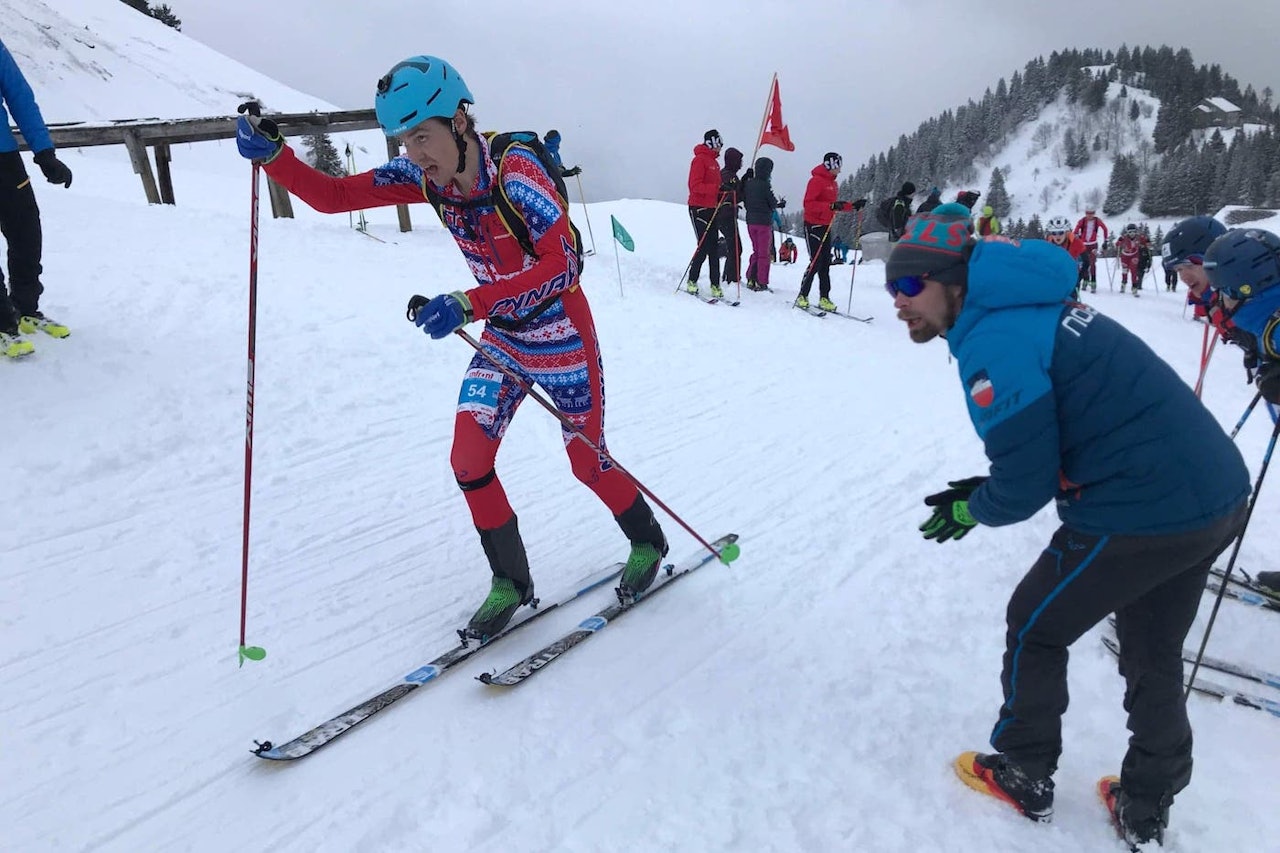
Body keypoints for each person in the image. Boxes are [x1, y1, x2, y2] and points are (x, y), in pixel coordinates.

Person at [234, 55, 668, 638]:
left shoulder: (516, 174)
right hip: (504, 342)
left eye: (423, 136)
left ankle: (648, 542)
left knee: (586, 460)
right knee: (468, 459)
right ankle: (511, 582)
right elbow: (335, 196)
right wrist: (275, 157)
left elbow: (563, 265)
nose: (415, 154)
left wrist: (470, 302)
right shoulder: (421, 177)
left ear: (460, 122)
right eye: (403, 141)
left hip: (562, 335)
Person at [885, 204, 1249, 848]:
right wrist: (992, 486)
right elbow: (1039, 452)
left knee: (1035, 624)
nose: (899, 301)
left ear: (954, 282)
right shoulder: (1022, 304)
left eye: (911, 285)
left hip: (1144, 506)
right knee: (1150, 648)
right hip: (1214, 495)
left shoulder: (994, 341)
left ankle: (1024, 770)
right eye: (893, 286)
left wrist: (975, 506)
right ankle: (1145, 802)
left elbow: (1023, 486)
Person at [0, 37, 73, 359]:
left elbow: (20, 97)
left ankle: (26, 310)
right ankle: (4, 325)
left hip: (4, 157)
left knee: (27, 233)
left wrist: (44, 152)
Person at [1203, 228, 1280, 408]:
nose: (1221, 300)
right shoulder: (1265, 321)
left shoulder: (1275, 331)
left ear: (1245, 289)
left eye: (1223, 291)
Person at [798, 152, 862, 311]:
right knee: (816, 261)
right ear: (831, 165)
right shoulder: (816, 181)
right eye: (838, 166)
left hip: (826, 225)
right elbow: (808, 204)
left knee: (826, 262)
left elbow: (834, 204)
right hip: (813, 225)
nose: (840, 170)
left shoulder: (833, 183)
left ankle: (824, 297)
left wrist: (852, 206)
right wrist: (830, 207)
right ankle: (802, 295)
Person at [1162, 215, 1229, 326]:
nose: (1184, 278)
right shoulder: (1222, 307)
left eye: (1189, 265)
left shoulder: (1255, 310)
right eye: (1179, 270)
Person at [686, 129, 723, 298]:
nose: (720, 148)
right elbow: (695, 186)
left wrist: (724, 190)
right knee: (704, 245)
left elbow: (715, 189)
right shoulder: (699, 160)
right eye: (719, 145)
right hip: (698, 208)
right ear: (712, 143)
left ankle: (715, 284)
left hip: (711, 208)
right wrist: (716, 189)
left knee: (714, 247)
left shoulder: (715, 164)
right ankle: (692, 280)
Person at [743, 156, 784, 291]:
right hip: (764, 223)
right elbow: (772, 203)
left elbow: (745, 200)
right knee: (764, 254)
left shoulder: (749, 183)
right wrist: (779, 204)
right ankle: (762, 281)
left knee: (756, 251)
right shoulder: (765, 184)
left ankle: (751, 278)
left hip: (751, 221)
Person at [716, 147, 744, 287]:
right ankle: (731, 278)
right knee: (735, 247)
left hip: (726, 215)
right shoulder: (729, 175)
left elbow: (736, 194)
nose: (741, 164)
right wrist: (744, 183)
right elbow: (735, 195)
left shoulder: (727, 174)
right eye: (739, 161)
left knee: (734, 246)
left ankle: (731, 276)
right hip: (725, 215)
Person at [1073, 208, 1109, 293]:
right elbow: (1075, 230)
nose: (1090, 215)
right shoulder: (1082, 221)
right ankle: (1085, 280)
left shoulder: (1097, 221)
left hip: (1093, 245)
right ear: (1085, 213)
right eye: (1088, 213)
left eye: (1092, 213)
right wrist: (1076, 236)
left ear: (1094, 213)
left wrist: (1105, 241)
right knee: (1084, 263)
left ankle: (1093, 281)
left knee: (1092, 263)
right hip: (1083, 245)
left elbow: (1105, 229)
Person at [1115, 223, 1149, 296]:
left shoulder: (1139, 237)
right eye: (1130, 232)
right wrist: (1119, 241)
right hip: (1125, 256)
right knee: (1125, 271)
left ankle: (1134, 287)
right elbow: (1117, 244)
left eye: (1134, 231)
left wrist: (1147, 242)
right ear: (1127, 232)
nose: (1132, 234)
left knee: (1134, 271)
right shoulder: (1124, 237)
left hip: (1134, 255)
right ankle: (1123, 284)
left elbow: (1146, 242)